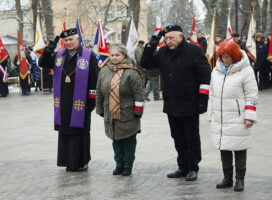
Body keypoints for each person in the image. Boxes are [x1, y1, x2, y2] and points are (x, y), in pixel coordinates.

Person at [141, 24, 211, 181]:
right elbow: (145, 63)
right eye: (166, 38)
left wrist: (202, 100)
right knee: (177, 136)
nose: (168, 41)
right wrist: (153, 42)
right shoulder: (163, 52)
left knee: (191, 137)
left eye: (171, 38)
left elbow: (205, 77)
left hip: (190, 102)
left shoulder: (194, 50)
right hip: (172, 103)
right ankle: (182, 166)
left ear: (180, 36)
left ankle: (193, 167)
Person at [39, 28, 98, 172]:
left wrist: (91, 102)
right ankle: (67, 161)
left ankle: (82, 161)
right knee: (65, 132)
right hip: (64, 102)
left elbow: (94, 79)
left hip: (81, 103)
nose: (69, 42)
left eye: (72, 39)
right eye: (66, 40)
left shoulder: (89, 55)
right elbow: (43, 63)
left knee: (81, 132)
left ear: (78, 40)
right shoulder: (59, 55)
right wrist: (48, 49)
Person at [208, 40, 258, 192]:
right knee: (224, 146)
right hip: (220, 116)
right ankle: (227, 177)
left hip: (238, 116)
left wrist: (249, 115)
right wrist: (211, 114)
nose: (224, 59)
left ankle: (240, 179)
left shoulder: (246, 71)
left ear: (235, 56)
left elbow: (252, 94)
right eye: (222, 56)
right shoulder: (215, 71)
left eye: (227, 57)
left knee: (239, 147)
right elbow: (212, 94)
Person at [96, 45, 144, 176]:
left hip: (128, 113)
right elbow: (99, 92)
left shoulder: (132, 72)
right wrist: (99, 109)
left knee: (128, 140)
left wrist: (138, 112)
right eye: (112, 55)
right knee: (115, 140)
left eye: (117, 55)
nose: (114, 58)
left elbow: (139, 94)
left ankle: (128, 165)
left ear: (124, 56)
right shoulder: (104, 71)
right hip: (110, 112)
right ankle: (119, 164)